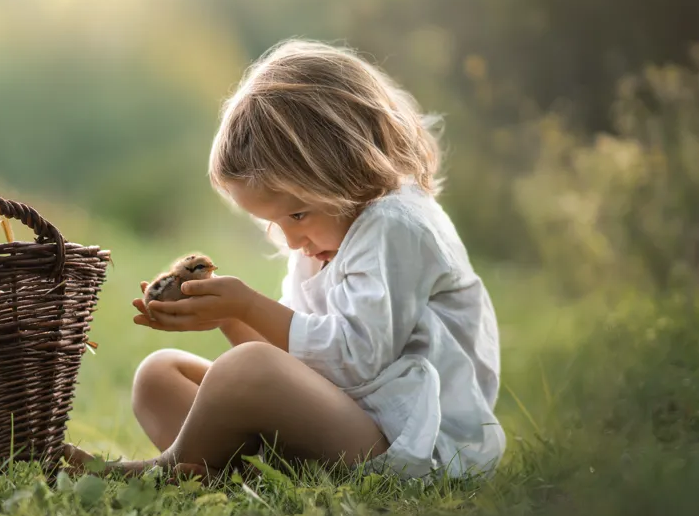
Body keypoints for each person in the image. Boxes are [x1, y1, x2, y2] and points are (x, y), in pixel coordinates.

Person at [55, 39, 505, 480]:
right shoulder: (323, 237)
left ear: (346, 170)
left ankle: (165, 472)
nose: (290, 239)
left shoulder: (397, 226)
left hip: (410, 442)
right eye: (273, 222)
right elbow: (295, 364)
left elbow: (355, 360)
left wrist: (248, 306)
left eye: (297, 214)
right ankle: (221, 473)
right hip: (341, 420)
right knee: (158, 375)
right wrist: (226, 315)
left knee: (246, 368)